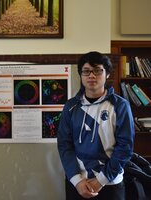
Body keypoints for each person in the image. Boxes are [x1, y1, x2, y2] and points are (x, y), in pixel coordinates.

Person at [57, 51, 134, 199]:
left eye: (98, 71)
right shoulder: (71, 106)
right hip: (78, 183)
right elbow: (64, 145)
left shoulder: (120, 106)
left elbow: (125, 147)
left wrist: (101, 180)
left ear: (107, 74)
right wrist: (77, 180)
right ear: (80, 75)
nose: (91, 75)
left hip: (110, 184)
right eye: (86, 71)